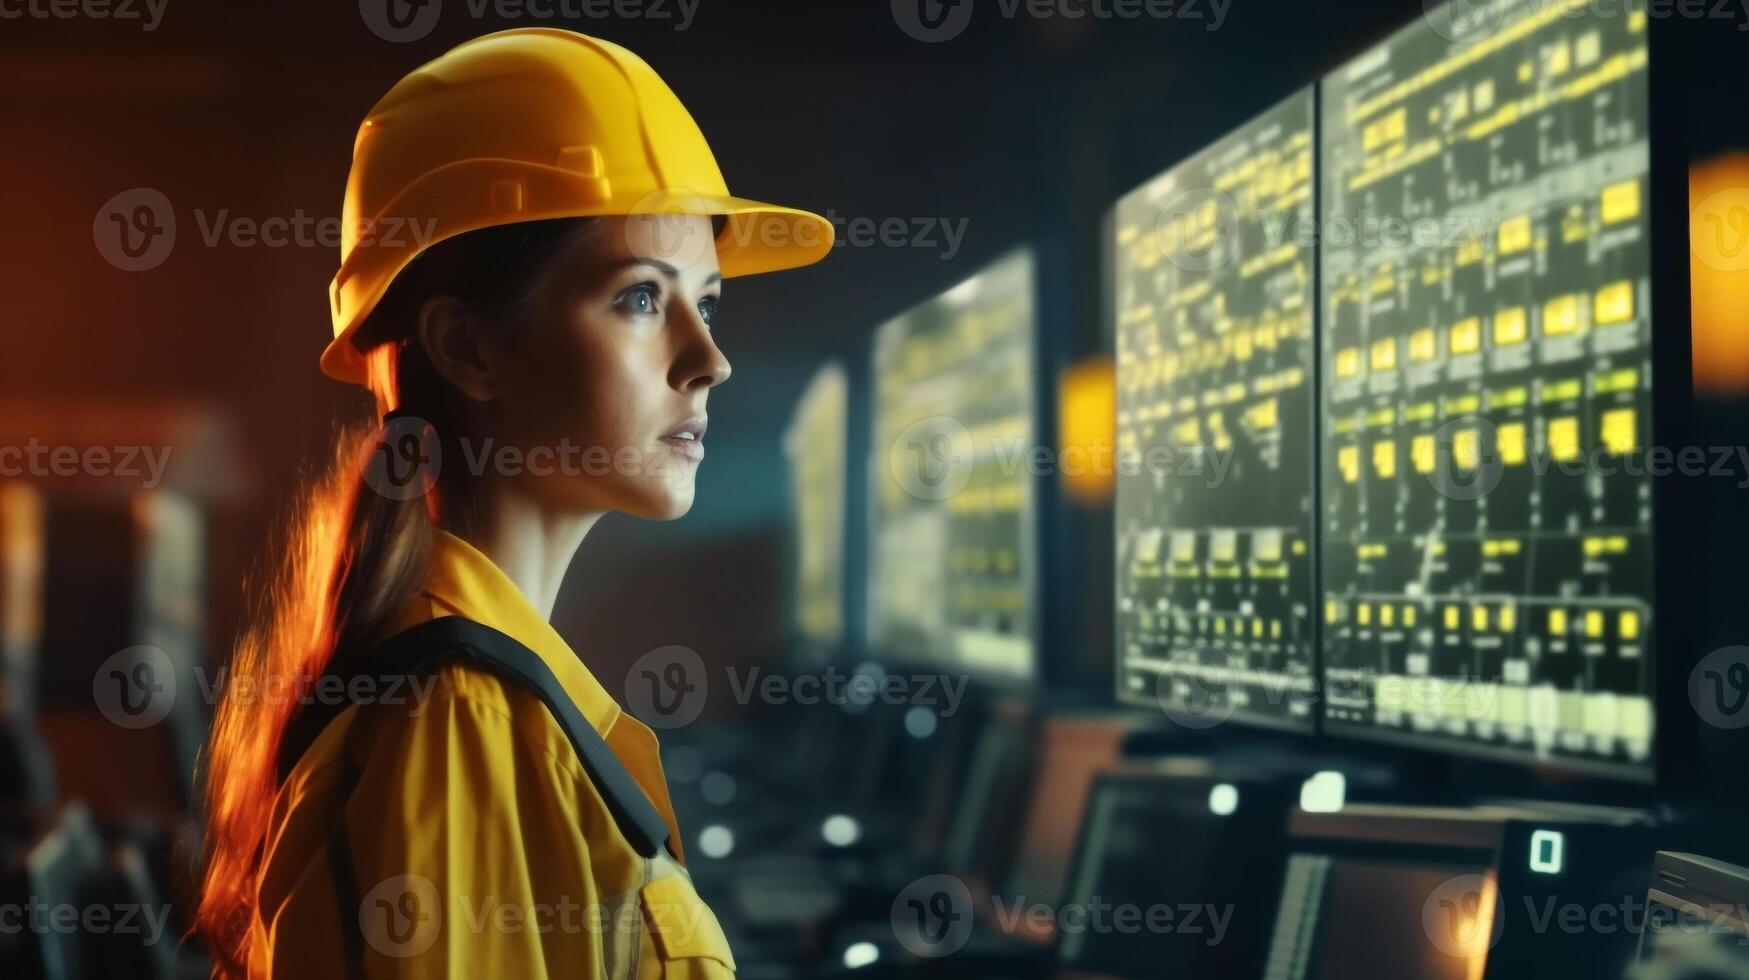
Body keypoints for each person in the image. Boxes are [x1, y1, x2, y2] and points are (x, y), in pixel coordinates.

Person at [194, 27, 832, 978]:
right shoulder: (460, 723)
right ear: (471, 348)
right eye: (640, 299)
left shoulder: (486, 695)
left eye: (709, 301)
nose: (709, 360)